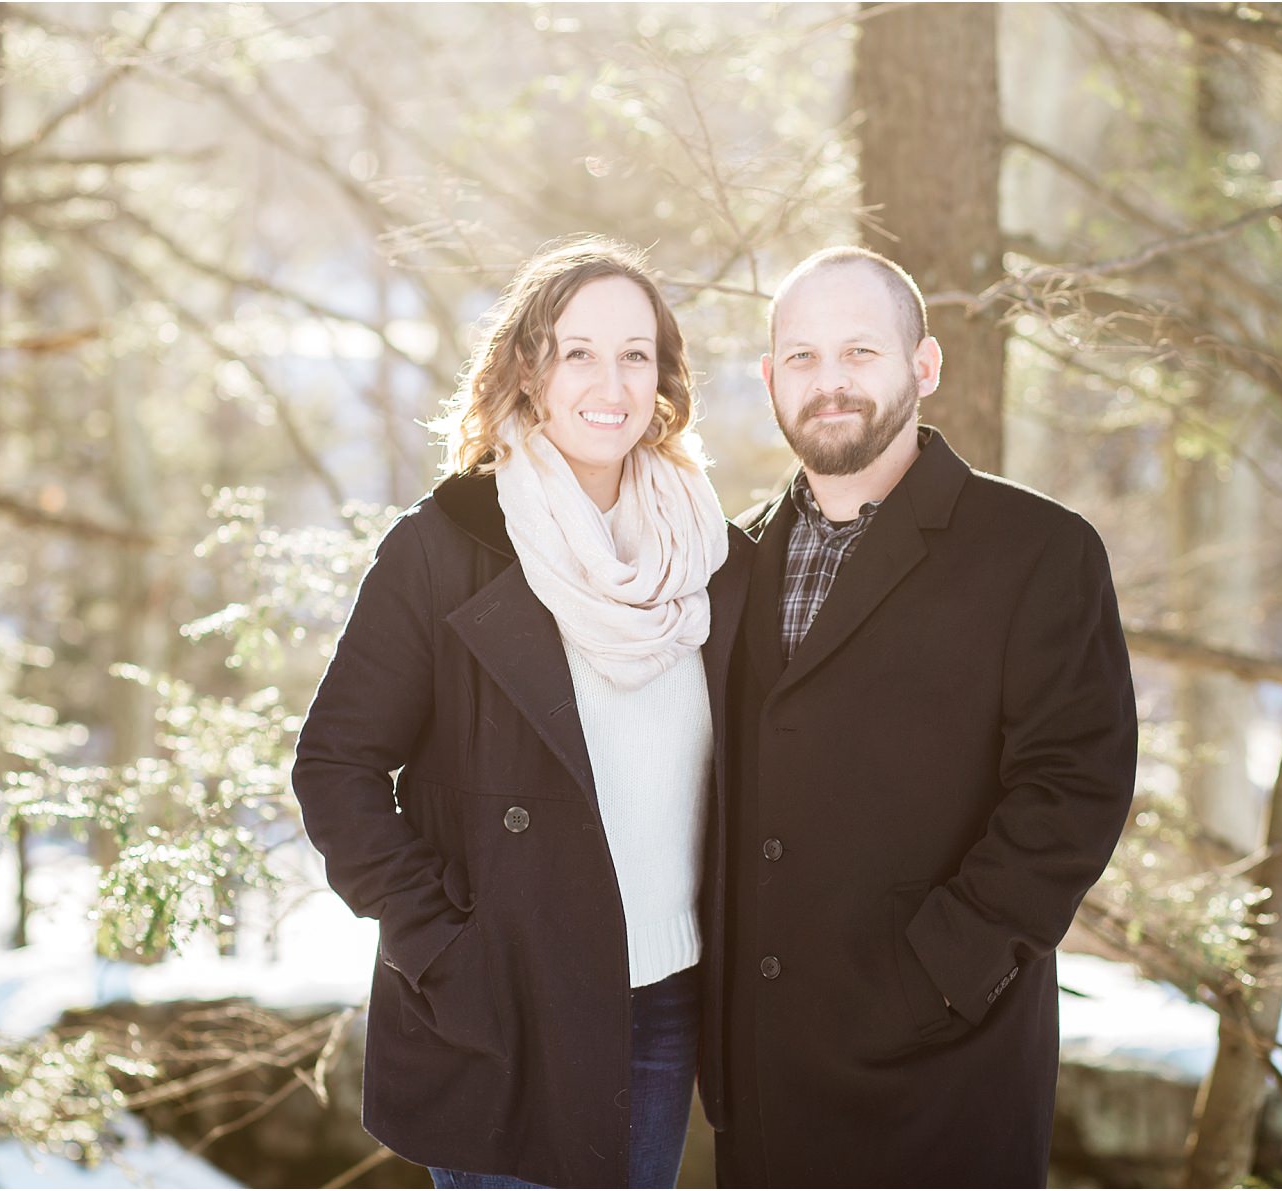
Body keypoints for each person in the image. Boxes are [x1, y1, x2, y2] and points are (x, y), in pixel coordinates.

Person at [292, 237, 752, 1189]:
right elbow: (335, 765)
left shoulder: (712, 554)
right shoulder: (443, 547)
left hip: (662, 1003)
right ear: (529, 370)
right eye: (577, 350)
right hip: (504, 1002)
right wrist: (438, 945)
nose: (609, 380)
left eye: (635, 353)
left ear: (663, 377)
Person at [706, 246, 1137, 1188]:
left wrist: (934, 977)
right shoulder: (728, 563)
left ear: (924, 366)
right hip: (763, 1085)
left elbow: (1072, 794)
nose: (830, 384)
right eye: (804, 358)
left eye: (860, 352)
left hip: (944, 1077)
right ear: (771, 379)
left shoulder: (1038, 553)